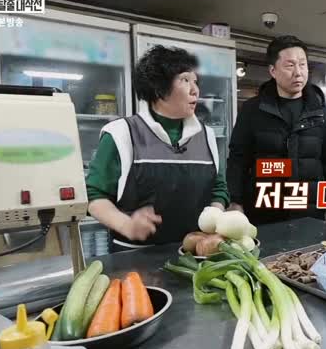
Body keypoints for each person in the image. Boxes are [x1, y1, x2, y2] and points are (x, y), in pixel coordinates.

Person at [86, 45, 229, 251]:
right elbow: (94, 195)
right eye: (185, 80)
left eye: (195, 81)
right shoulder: (121, 133)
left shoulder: (206, 135)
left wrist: (214, 219)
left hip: (195, 253)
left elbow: (218, 188)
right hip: (134, 256)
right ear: (159, 88)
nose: (195, 90)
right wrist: (127, 225)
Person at [227, 35, 326, 225]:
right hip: (264, 211)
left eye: (302, 64)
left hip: (309, 212)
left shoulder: (323, 112)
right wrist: (236, 201)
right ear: (273, 71)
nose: (298, 72)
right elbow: (238, 160)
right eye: (290, 65)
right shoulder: (253, 110)